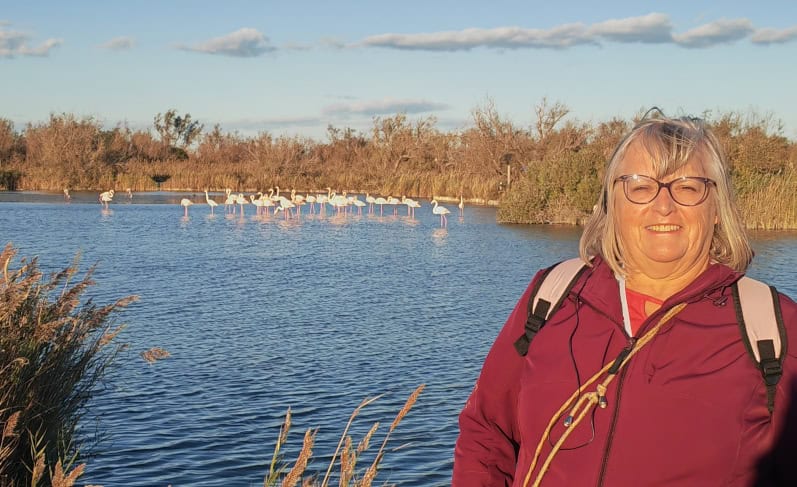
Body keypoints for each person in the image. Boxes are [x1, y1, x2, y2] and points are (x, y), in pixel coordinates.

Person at [452, 113, 797, 486]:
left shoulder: (773, 330)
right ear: (612, 203)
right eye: (640, 185)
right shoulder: (552, 296)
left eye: (687, 186)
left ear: (716, 207)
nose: (664, 205)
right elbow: (486, 432)